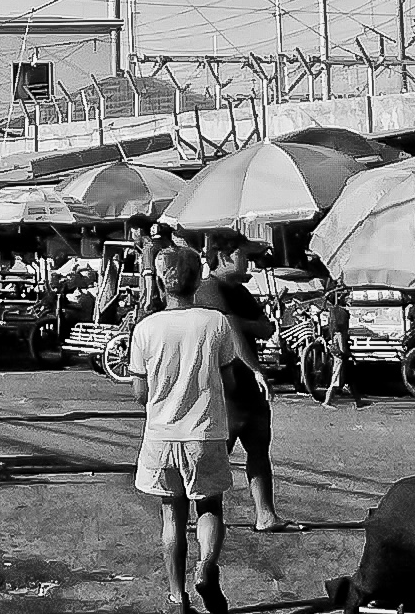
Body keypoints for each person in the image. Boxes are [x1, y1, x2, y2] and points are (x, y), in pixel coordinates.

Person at [130, 244, 271, 614]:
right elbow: (229, 381)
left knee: (171, 516)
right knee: (209, 508)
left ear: (161, 282)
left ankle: (177, 597)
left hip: (161, 437)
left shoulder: (145, 328)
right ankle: (206, 565)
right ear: (196, 281)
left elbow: (140, 393)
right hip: (205, 433)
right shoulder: (215, 322)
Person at [194, 230, 300, 534]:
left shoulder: (240, 292)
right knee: (215, 457)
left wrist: (239, 323)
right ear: (223, 256)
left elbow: (265, 328)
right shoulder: (209, 289)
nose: (249, 261)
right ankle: (204, 519)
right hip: (224, 387)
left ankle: (266, 514)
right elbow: (230, 331)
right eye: (242, 254)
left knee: (258, 449)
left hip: (250, 389)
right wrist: (255, 368)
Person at [323, 281, 365, 408]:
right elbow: (342, 349)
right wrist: (350, 356)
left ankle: (359, 402)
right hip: (340, 359)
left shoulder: (334, 331)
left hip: (340, 358)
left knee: (349, 380)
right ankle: (327, 402)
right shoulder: (340, 334)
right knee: (335, 380)